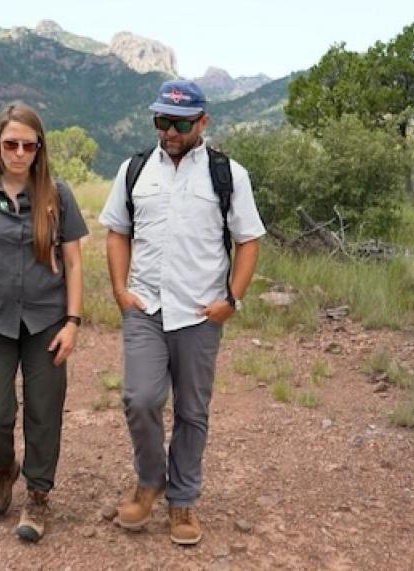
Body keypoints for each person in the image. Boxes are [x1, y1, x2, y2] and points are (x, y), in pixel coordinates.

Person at [98, 79, 266, 545]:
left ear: (203, 122)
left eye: (180, 123)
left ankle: (183, 501)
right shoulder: (134, 170)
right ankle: (150, 480)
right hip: (146, 306)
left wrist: (230, 300)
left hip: (199, 312)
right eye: (161, 121)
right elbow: (117, 231)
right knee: (141, 399)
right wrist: (119, 290)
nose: (169, 132)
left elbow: (248, 240)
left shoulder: (228, 174)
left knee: (192, 411)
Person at [0, 102, 88, 543]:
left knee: (44, 413)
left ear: (39, 147)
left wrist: (73, 321)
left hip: (47, 321)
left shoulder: (57, 195)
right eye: (12, 143)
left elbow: (74, 262)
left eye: (30, 145)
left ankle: (38, 496)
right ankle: (4, 468)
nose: (20, 153)